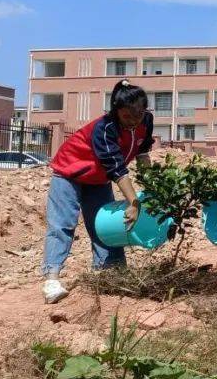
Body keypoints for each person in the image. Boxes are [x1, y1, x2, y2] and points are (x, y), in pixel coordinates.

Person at [41, 81, 155, 304]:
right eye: (127, 116)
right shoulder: (105, 128)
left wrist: (153, 189)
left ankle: (110, 275)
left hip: (98, 179)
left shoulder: (146, 122)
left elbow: (142, 155)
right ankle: (52, 280)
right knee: (63, 224)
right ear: (116, 111)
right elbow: (116, 168)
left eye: (138, 114)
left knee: (104, 226)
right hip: (70, 173)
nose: (133, 121)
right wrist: (133, 201)